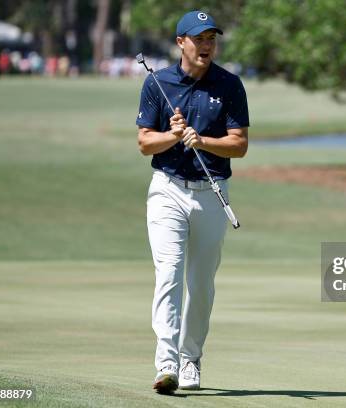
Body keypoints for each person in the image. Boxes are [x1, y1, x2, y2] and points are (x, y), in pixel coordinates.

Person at [135, 10, 249, 394]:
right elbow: (144, 142)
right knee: (169, 273)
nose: (206, 46)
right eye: (198, 39)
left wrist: (201, 141)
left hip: (212, 192)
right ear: (180, 42)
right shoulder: (157, 83)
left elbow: (239, 145)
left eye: (211, 39)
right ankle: (166, 363)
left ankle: (190, 359)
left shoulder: (230, 85)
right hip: (167, 189)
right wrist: (173, 135)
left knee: (201, 285)